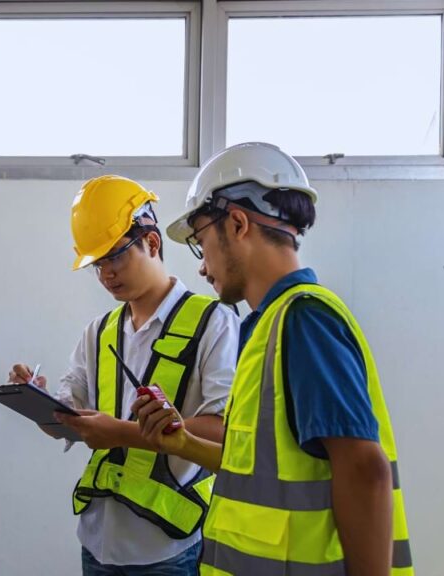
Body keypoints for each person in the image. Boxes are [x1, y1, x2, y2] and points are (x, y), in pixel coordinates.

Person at [134, 142, 413, 576]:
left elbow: (364, 470)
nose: (203, 267)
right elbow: (258, 467)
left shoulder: (304, 321)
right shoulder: (267, 327)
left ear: (239, 223)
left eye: (201, 241)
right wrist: (185, 445)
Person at [9, 175, 238, 575]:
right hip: (97, 542)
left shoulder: (213, 321)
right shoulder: (98, 332)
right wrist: (37, 402)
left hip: (168, 547)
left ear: (151, 243)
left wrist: (119, 432)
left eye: (115, 256)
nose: (106, 275)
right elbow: (70, 421)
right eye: (97, 264)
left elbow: (223, 433)